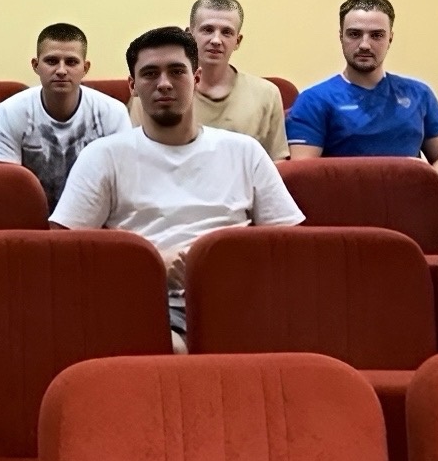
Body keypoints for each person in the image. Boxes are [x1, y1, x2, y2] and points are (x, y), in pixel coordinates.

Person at [53, 27, 303, 349]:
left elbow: (288, 246)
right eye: (150, 74)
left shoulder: (245, 151)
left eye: (176, 72)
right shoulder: (103, 156)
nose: (164, 83)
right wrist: (150, 264)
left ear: (196, 79)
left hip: (238, 300)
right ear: (132, 87)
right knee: (172, 349)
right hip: (145, 301)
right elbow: (65, 255)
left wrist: (227, 268)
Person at [287, 0, 438, 189]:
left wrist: (434, 187)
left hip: (411, 200)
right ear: (341, 37)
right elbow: (303, 175)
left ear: (390, 39)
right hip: (346, 202)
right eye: (354, 34)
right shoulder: (313, 100)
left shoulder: (419, 94)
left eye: (377, 35)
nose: (364, 45)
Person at [0, 22, 129, 207]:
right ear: (36, 65)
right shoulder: (10, 111)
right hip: (29, 216)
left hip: (96, 217)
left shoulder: (113, 113)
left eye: (71, 62)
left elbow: (123, 186)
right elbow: (5, 189)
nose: (61, 71)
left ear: (85, 68)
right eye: (52, 61)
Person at [154, 0, 289, 160]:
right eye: (208, 30)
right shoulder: (157, 90)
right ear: (189, 35)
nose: (216, 40)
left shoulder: (266, 94)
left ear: (238, 41)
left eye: (226, 32)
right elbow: (134, 155)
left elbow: (278, 162)